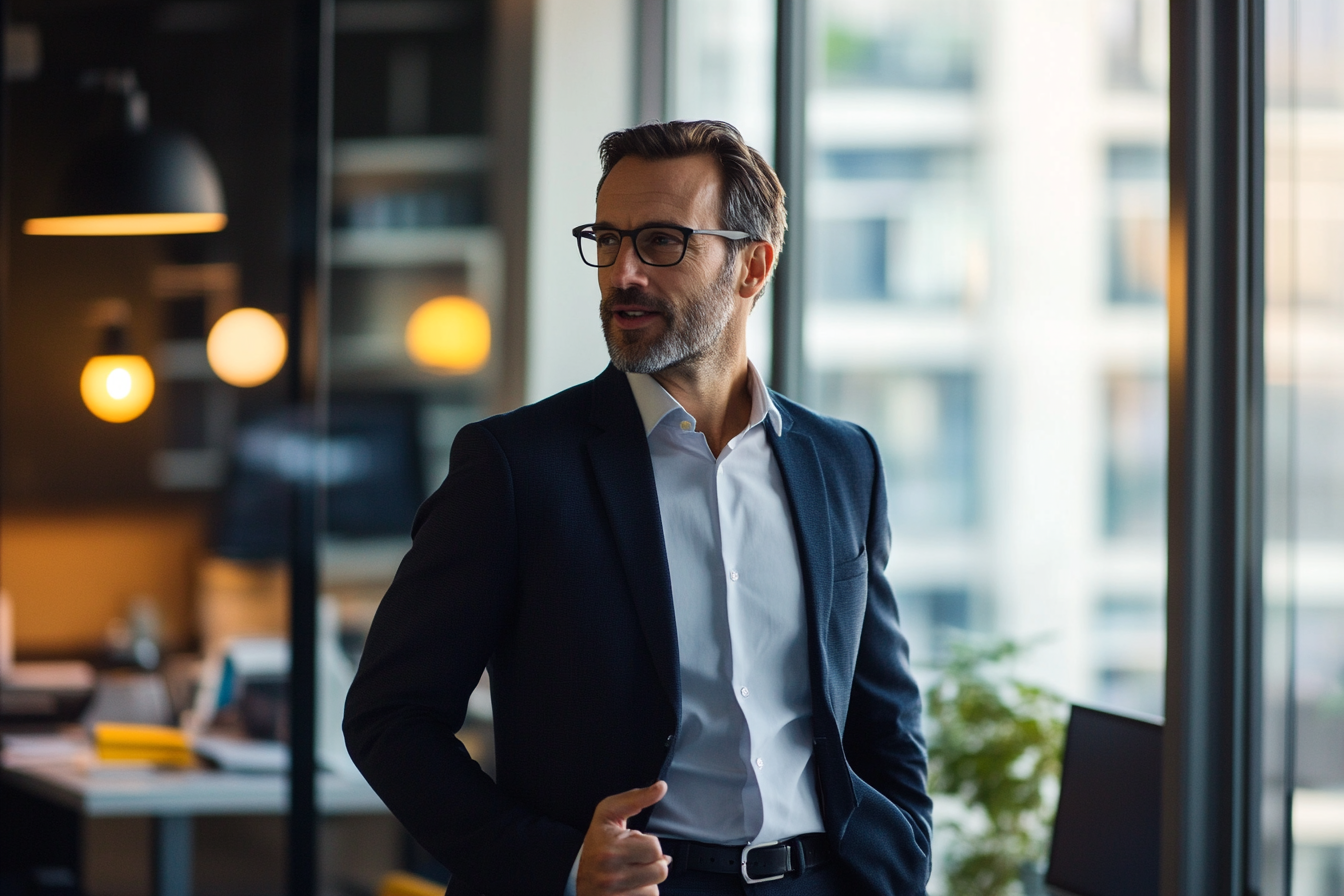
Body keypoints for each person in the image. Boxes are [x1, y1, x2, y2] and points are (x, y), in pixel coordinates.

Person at [343, 120, 932, 896]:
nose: (622, 273)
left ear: (752, 266)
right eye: (608, 238)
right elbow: (390, 717)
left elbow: (881, 717)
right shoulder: (515, 467)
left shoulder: (843, 461)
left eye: (661, 241)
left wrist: (903, 862)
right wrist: (552, 861)